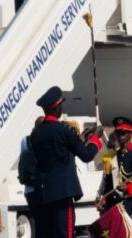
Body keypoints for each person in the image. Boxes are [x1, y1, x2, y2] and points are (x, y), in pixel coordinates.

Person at [30, 86, 103, 238]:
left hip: (44, 193)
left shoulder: (36, 133)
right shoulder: (63, 130)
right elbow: (86, 156)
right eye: (61, 104)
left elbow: (56, 154)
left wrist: (77, 141)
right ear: (55, 107)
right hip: (62, 193)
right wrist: (95, 139)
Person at [97, 117, 132, 237]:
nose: (120, 136)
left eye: (124, 133)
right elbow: (108, 186)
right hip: (114, 207)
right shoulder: (111, 157)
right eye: (118, 133)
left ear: (131, 134)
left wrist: (129, 188)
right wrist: (103, 199)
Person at [19, 116, 44, 237]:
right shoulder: (43, 141)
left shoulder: (25, 140)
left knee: (38, 222)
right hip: (41, 188)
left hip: (28, 188)